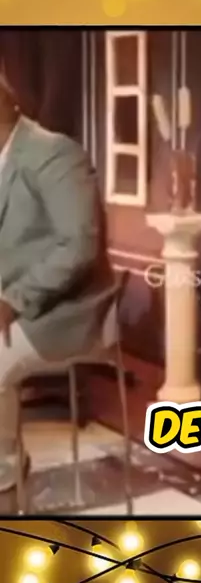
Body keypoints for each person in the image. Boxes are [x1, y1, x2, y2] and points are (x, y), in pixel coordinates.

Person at [0, 74, 114, 493]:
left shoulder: (55, 154)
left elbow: (79, 245)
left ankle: (5, 469)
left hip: (67, 312)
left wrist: (12, 300)